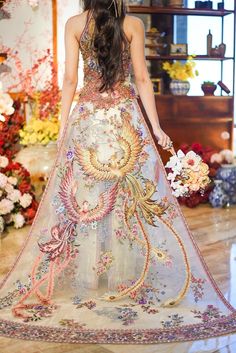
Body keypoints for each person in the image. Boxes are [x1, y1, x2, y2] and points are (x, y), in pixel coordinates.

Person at [0, 0, 235, 344]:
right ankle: (122, 277)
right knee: (126, 201)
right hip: (125, 120)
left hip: (89, 122)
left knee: (87, 200)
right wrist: (156, 128)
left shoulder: (76, 24)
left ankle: (90, 278)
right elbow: (142, 78)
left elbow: (69, 80)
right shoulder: (133, 25)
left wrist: (64, 129)